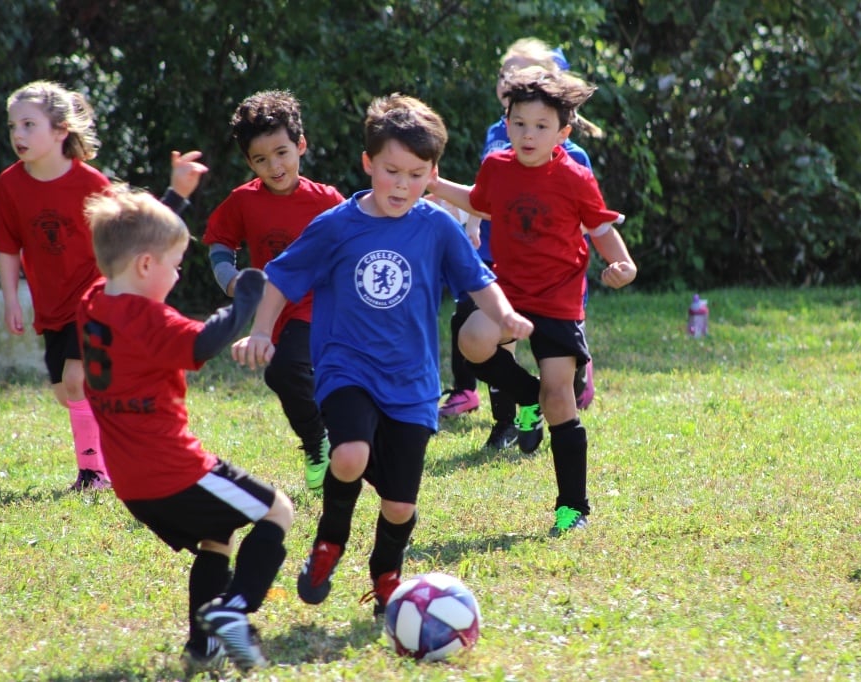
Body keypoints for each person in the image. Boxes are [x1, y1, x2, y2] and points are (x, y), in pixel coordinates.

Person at [231, 94, 533, 617]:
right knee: (349, 455)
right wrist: (262, 331)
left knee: (400, 503)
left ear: (433, 173)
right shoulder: (336, 224)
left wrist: (505, 316)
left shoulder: (437, 227)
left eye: (417, 175)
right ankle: (329, 542)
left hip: (413, 380)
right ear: (369, 162)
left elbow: (478, 280)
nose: (401, 185)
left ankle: (386, 575)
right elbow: (280, 278)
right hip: (347, 367)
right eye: (391, 170)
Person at [78, 187, 293, 674]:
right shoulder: (153, 321)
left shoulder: (93, 301)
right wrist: (247, 298)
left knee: (218, 536)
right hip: (176, 471)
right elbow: (207, 341)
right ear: (147, 266)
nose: (178, 277)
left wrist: (172, 199)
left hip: (131, 485)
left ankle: (203, 647)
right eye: (175, 266)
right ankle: (232, 610)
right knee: (278, 511)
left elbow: (125, 250)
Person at [429, 66, 637, 536]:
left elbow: (601, 228)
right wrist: (437, 186)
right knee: (472, 340)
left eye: (541, 126)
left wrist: (625, 265)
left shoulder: (575, 176)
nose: (528, 134)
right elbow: (481, 202)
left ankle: (572, 507)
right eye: (519, 123)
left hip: (559, 299)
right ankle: (526, 396)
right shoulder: (497, 166)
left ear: (562, 133)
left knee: (561, 397)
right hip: (510, 293)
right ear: (506, 124)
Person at [0, 79, 206, 492]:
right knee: (66, 391)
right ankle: (121, 447)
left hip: (94, 297)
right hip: (51, 306)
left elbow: (133, 227)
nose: (18, 134)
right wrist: (11, 300)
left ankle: (93, 475)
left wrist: (175, 193)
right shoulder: (9, 184)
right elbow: (8, 245)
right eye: (13, 125)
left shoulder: (90, 183)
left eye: (28, 124)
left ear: (60, 131)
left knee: (76, 380)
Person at [439, 38, 602, 449]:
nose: (510, 79)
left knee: (559, 388)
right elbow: (485, 190)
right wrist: (472, 222)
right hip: (499, 259)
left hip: (554, 276)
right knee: (484, 336)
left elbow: (587, 219)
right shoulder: (498, 135)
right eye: (505, 73)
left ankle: (562, 387)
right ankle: (509, 418)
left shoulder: (572, 157)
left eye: (523, 72)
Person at [202, 90, 344, 491]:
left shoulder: (327, 200)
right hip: (273, 308)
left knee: (284, 370)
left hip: (318, 306)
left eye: (282, 153)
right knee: (285, 378)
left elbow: (349, 247)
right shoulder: (243, 201)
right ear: (249, 162)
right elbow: (219, 244)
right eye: (261, 160)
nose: (274, 166)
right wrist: (230, 279)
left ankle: (320, 441)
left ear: (300, 145)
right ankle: (322, 439)